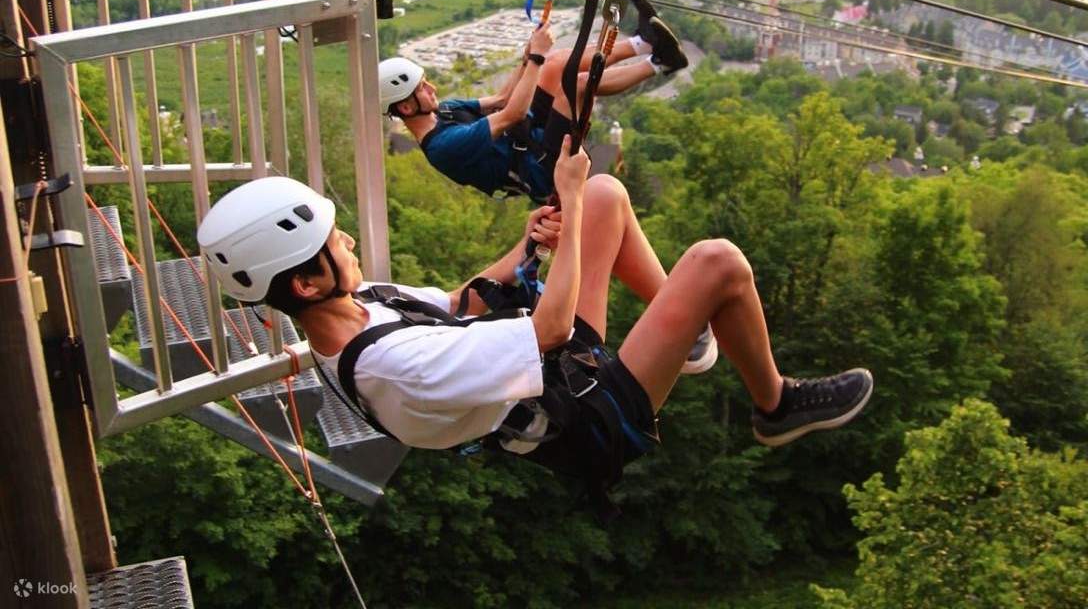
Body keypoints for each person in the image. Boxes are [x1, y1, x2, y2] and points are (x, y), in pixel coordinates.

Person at [197, 142, 874, 515]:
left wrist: (529, 247)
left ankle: (685, 331)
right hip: (582, 418)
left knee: (606, 194)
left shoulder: (357, 307)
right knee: (718, 261)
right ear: (308, 283)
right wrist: (568, 203)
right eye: (329, 241)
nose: (345, 237)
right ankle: (775, 404)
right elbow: (549, 328)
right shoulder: (392, 367)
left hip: (557, 375)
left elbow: (461, 303)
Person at [380, 13, 688, 203]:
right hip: (540, 167)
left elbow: (501, 99)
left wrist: (529, 58)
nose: (432, 89)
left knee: (554, 65)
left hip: (528, 136)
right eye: (422, 88)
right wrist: (536, 58)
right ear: (406, 107)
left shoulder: (444, 111)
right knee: (577, 85)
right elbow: (510, 114)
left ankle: (643, 43)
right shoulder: (444, 147)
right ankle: (659, 63)